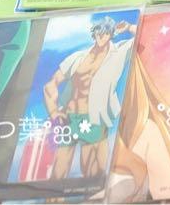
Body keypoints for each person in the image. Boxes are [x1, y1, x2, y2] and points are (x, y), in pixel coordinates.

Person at [44, 16, 136, 182]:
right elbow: (51, 84)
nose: (102, 36)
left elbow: (146, 36)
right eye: (99, 32)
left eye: (106, 32)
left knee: (92, 176)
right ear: (94, 33)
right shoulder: (77, 57)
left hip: (93, 119)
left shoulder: (120, 52)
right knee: (57, 175)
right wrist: (53, 112)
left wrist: (129, 27)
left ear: (111, 34)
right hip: (68, 118)